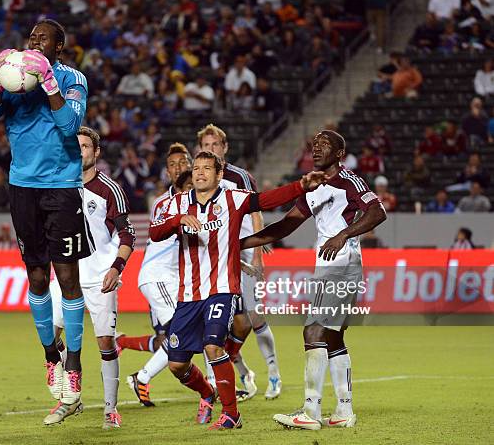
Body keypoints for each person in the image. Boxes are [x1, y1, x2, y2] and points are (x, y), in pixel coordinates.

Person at [150, 150, 327, 430]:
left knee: (212, 345)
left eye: (207, 168)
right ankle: (207, 392)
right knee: (176, 365)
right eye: (196, 168)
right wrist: (177, 221)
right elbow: (154, 232)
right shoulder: (179, 203)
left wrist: (300, 186)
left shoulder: (232, 198)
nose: (200, 172)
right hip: (188, 295)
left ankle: (231, 414)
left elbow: (266, 200)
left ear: (219, 175)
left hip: (222, 289)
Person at [0, 19, 90, 423]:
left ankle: (74, 365)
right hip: (22, 186)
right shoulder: (12, 81)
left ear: (59, 47)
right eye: (31, 37)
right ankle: (51, 354)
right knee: (37, 277)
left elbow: (69, 126)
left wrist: (49, 84)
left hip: (61, 186)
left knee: (68, 277)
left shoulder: (73, 78)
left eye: (43, 38)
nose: (34, 42)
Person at [239, 130, 387, 430]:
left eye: (324, 145)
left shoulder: (349, 181)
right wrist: (242, 242)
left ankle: (310, 411)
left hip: (342, 266)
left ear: (340, 153)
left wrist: (343, 234)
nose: (316, 149)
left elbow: (378, 211)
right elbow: (287, 225)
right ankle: (344, 410)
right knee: (332, 338)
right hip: (328, 268)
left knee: (312, 333)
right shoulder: (314, 186)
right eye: (314, 145)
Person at [48, 127, 135, 428]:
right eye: (76, 146)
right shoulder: (57, 185)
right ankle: (71, 396)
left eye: (85, 146)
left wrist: (116, 268)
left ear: (96, 153)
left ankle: (110, 409)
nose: (80, 150)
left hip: (100, 278)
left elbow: (128, 234)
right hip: (64, 275)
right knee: (50, 338)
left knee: (105, 343)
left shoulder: (109, 189)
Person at [198, 124, 282, 401]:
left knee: (253, 316)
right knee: (221, 323)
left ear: (224, 148)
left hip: (244, 252)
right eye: (205, 146)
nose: (210, 150)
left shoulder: (239, 177)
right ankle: (242, 375)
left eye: (214, 145)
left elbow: (255, 212)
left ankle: (274, 375)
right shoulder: (200, 178)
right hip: (217, 256)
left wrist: (258, 253)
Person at [119, 143, 192, 407]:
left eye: (182, 163)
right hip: (161, 278)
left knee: (191, 332)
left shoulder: (191, 198)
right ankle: (142, 376)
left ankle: (142, 376)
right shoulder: (167, 202)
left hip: (175, 280)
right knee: (180, 335)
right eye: (172, 165)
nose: (178, 169)